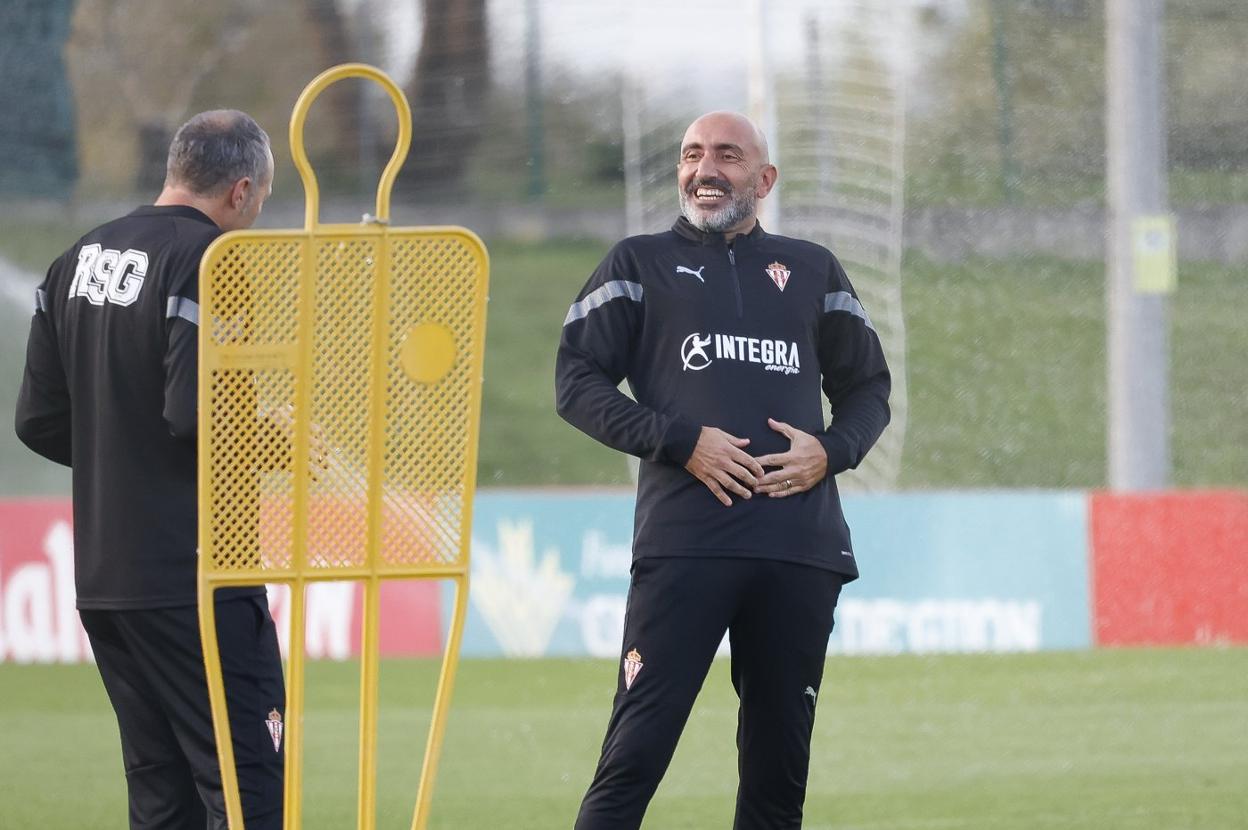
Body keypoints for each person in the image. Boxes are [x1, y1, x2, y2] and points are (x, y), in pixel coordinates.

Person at [556, 111, 891, 829]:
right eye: (692, 155)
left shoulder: (812, 269)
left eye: (727, 156)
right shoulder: (636, 265)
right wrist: (681, 441)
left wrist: (828, 452)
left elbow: (869, 390)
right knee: (632, 761)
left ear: (764, 179)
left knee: (777, 782)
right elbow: (576, 381)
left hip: (797, 550)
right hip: (686, 549)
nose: (705, 169)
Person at [15, 110, 285, 830]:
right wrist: (283, 446)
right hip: (196, 576)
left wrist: (119, 458)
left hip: (106, 582)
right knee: (244, 788)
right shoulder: (211, 263)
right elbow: (198, 415)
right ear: (239, 189)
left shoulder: (75, 260)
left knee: (161, 801)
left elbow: (36, 421)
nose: (256, 216)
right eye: (260, 200)